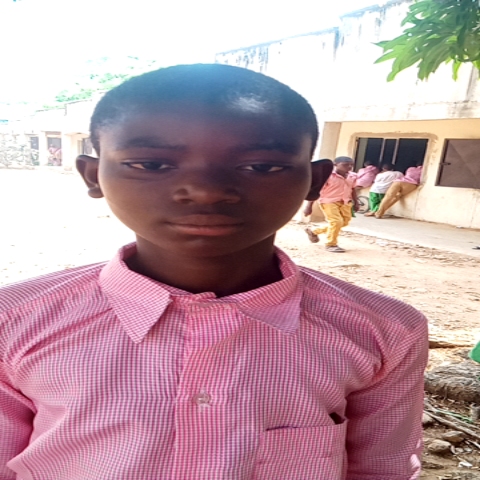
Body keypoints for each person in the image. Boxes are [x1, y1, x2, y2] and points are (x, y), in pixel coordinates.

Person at [0, 64, 428, 480]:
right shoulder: (12, 323)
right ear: (94, 176)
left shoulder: (384, 332)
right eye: (151, 164)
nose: (206, 191)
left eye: (262, 166)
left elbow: (381, 469)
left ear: (315, 180)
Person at [304, 156, 359, 253]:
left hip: (346, 202)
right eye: (345, 165)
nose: (349, 167)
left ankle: (314, 231)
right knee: (336, 221)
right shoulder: (328, 176)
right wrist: (309, 206)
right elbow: (317, 190)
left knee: (344, 222)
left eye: (351, 165)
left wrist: (356, 202)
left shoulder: (353, 176)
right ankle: (331, 244)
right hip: (329, 201)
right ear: (335, 165)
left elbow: (353, 189)